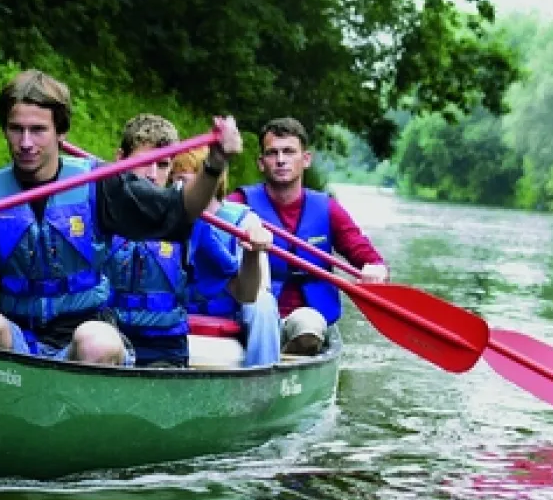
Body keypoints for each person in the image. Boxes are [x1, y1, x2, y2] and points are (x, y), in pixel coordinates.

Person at [0, 69, 243, 366]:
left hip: (86, 334)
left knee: (96, 341)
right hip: (18, 339)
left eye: (38, 130)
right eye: (16, 129)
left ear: (60, 133)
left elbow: (179, 213)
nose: (26, 142)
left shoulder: (100, 184)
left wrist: (215, 164)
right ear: (5, 130)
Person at [101, 114, 271, 368]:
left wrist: (252, 254)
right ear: (120, 159)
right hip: (108, 344)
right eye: (144, 162)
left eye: (162, 165)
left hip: (163, 352)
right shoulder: (96, 206)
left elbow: (245, 294)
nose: (151, 174)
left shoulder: (193, 221)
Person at [227, 117, 389, 355]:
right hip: (253, 316)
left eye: (289, 152)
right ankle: (271, 354)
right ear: (261, 163)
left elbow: (367, 256)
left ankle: (289, 355)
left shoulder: (328, 209)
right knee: (262, 313)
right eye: (272, 153)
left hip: (307, 321)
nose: (281, 160)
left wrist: (377, 270)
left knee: (308, 326)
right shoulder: (239, 204)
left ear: (306, 160)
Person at [170, 147, 281, 367]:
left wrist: (254, 250)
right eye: (175, 180)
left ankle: (262, 374)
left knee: (263, 303)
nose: (178, 188)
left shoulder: (244, 222)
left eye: (185, 179)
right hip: (175, 315)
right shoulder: (165, 218)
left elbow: (254, 292)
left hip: (230, 315)